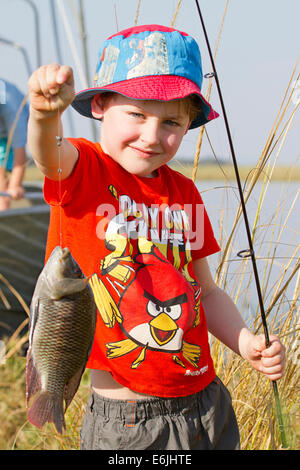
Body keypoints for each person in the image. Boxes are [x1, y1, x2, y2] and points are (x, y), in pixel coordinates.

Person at [27, 25, 285, 450]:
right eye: (136, 115)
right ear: (101, 106)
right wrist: (44, 114)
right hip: (127, 420)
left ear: (188, 126)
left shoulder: (184, 192)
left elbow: (207, 290)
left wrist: (246, 343)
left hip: (206, 403)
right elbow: (48, 153)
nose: (151, 136)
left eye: (170, 122)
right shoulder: (84, 169)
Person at [0, 78, 29, 210]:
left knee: (3, 183)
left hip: (20, 120)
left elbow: (19, 152)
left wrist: (15, 186)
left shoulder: (12, 111)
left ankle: (3, 210)